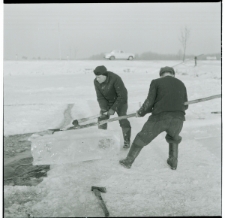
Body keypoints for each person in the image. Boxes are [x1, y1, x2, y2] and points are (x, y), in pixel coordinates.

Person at [119, 66, 188, 170]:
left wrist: (141, 112)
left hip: (160, 118)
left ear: (161, 74)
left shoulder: (156, 82)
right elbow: (185, 105)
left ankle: (128, 161)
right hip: (178, 118)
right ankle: (173, 162)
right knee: (173, 138)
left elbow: (149, 101)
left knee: (141, 138)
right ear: (173, 74)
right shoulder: (181, 83)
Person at [93, 65, 131, 148]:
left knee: (122, 119)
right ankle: (102, 139)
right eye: (96, 77)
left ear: (104, 76)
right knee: (102, 118)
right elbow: (100, 97)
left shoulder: (115, 78)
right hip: (108, 101)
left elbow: (122, 96)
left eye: (99, 77)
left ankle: (127, 141)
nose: (97, 79)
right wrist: (103, 108)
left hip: (121, 101)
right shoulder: (96, 82)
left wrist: (113, 108)